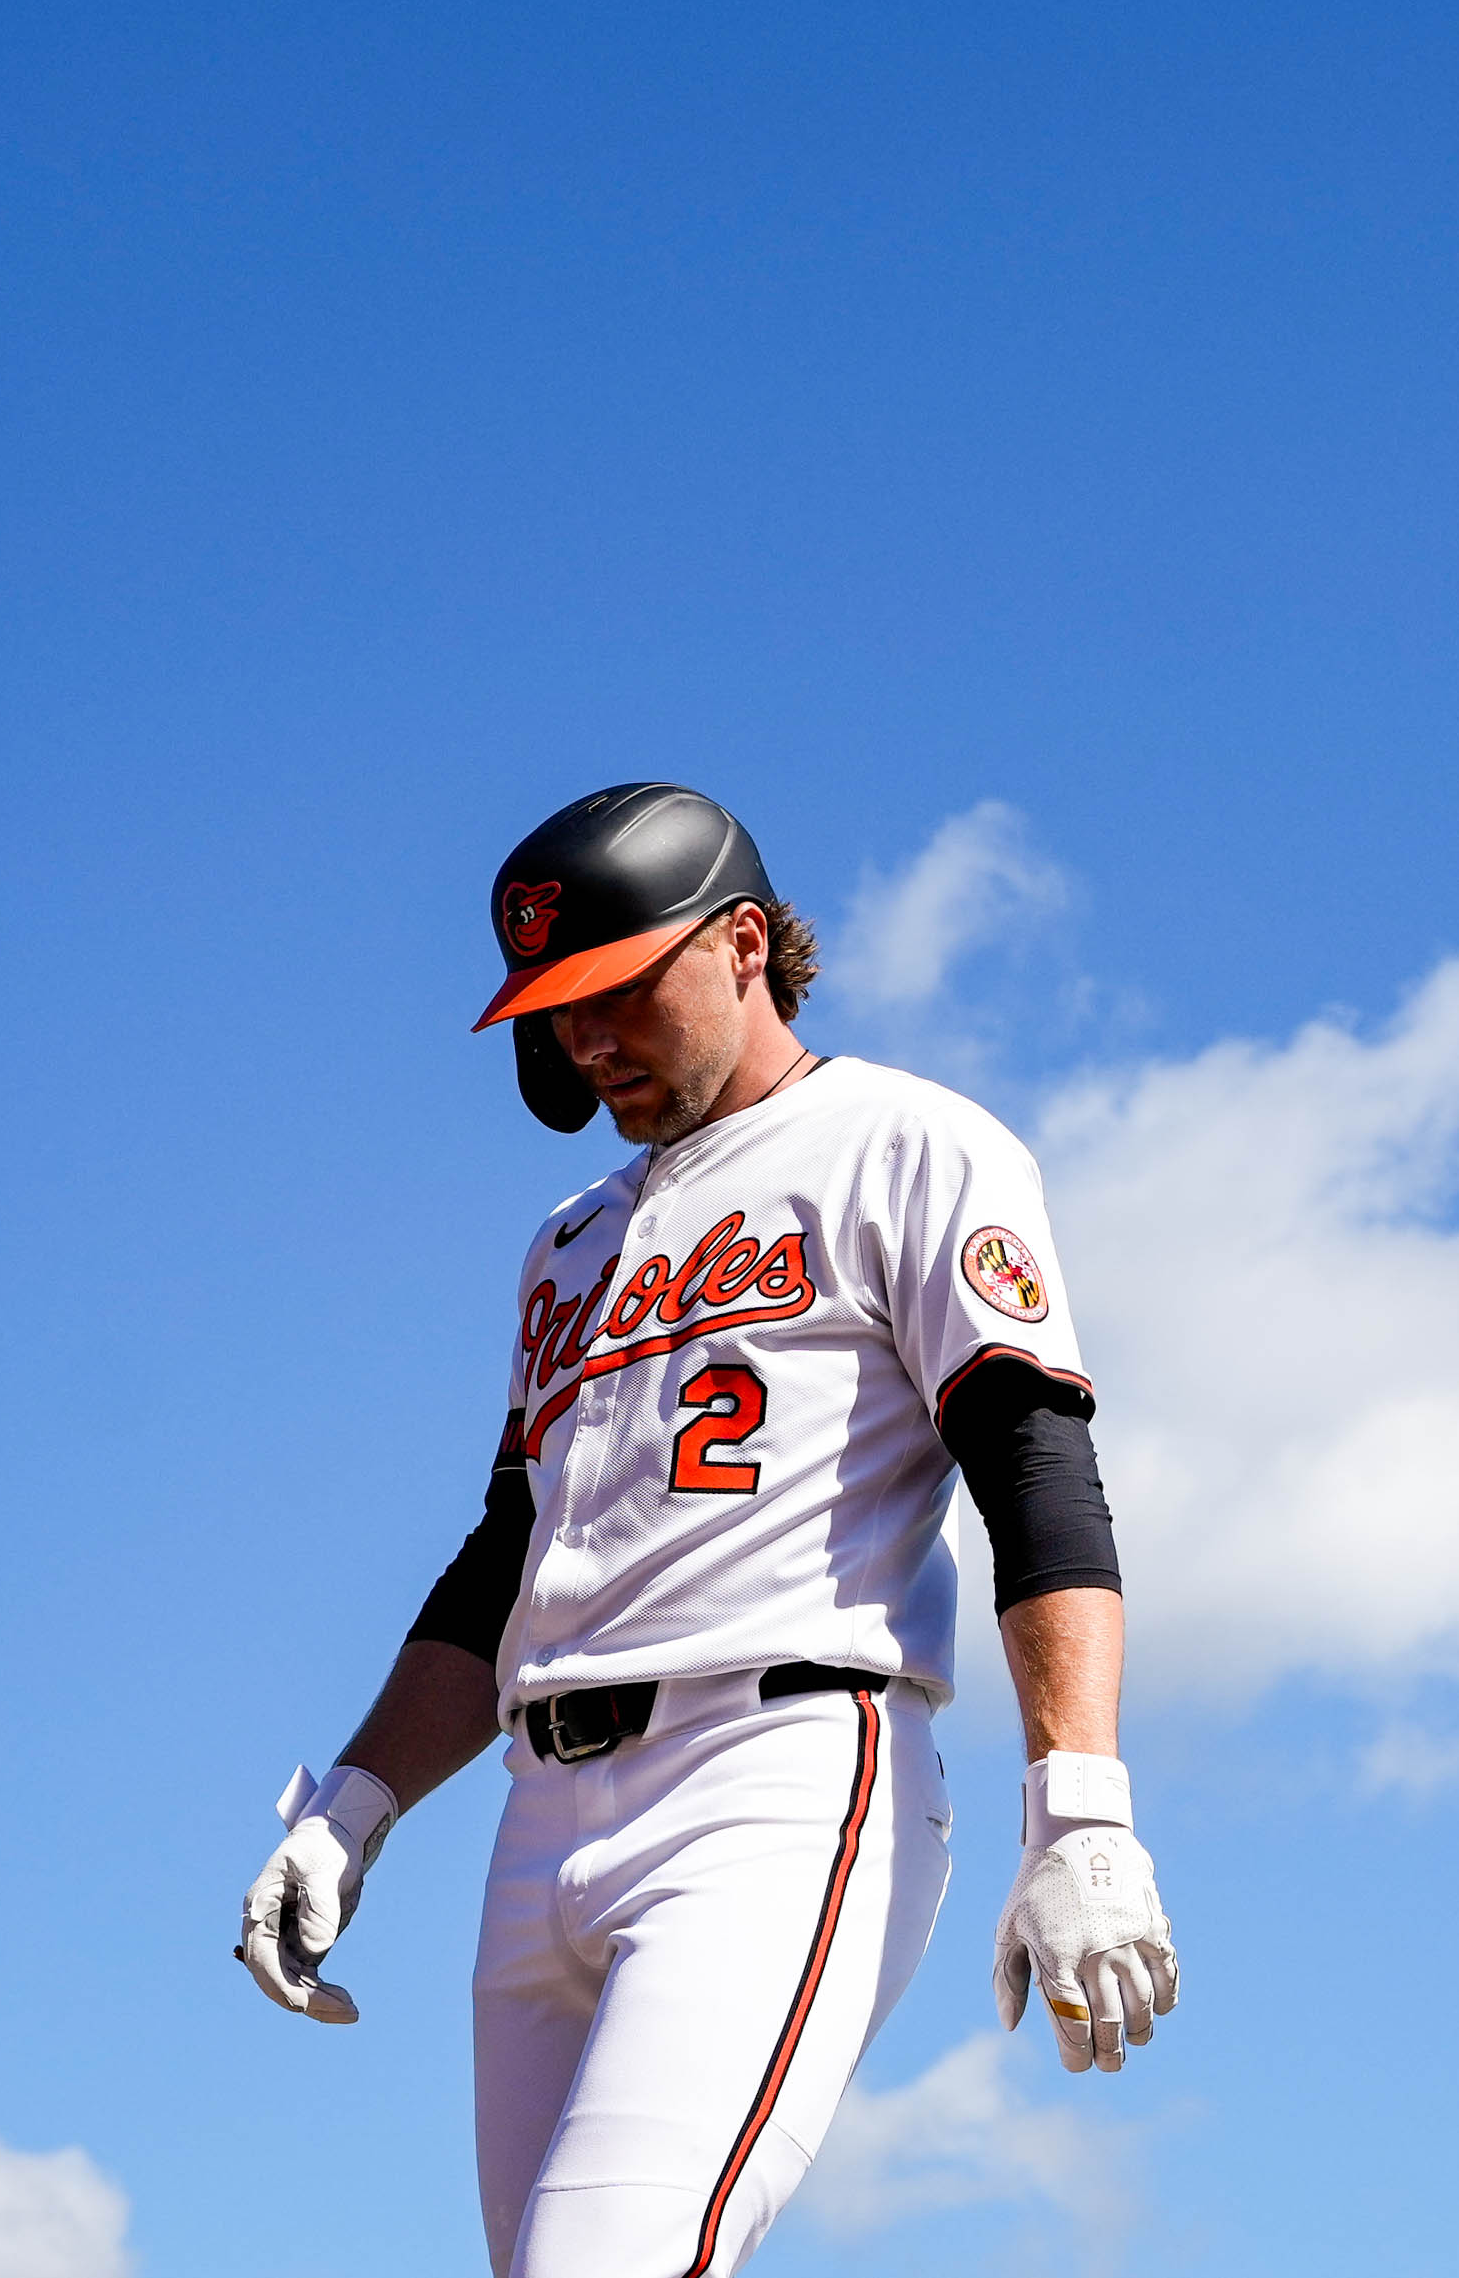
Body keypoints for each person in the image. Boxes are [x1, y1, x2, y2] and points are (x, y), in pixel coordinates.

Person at [235, 782, 1177, 2278]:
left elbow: (1033, 1467)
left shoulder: (906, 1141)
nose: (583, 1039)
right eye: (553, 1010)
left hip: (777, 1766)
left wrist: (1080, 1808)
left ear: (743, 941)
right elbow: (504, 1558)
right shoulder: (568, 1238)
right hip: (539, 1818)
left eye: (614, 989)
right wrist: (352, 1806)